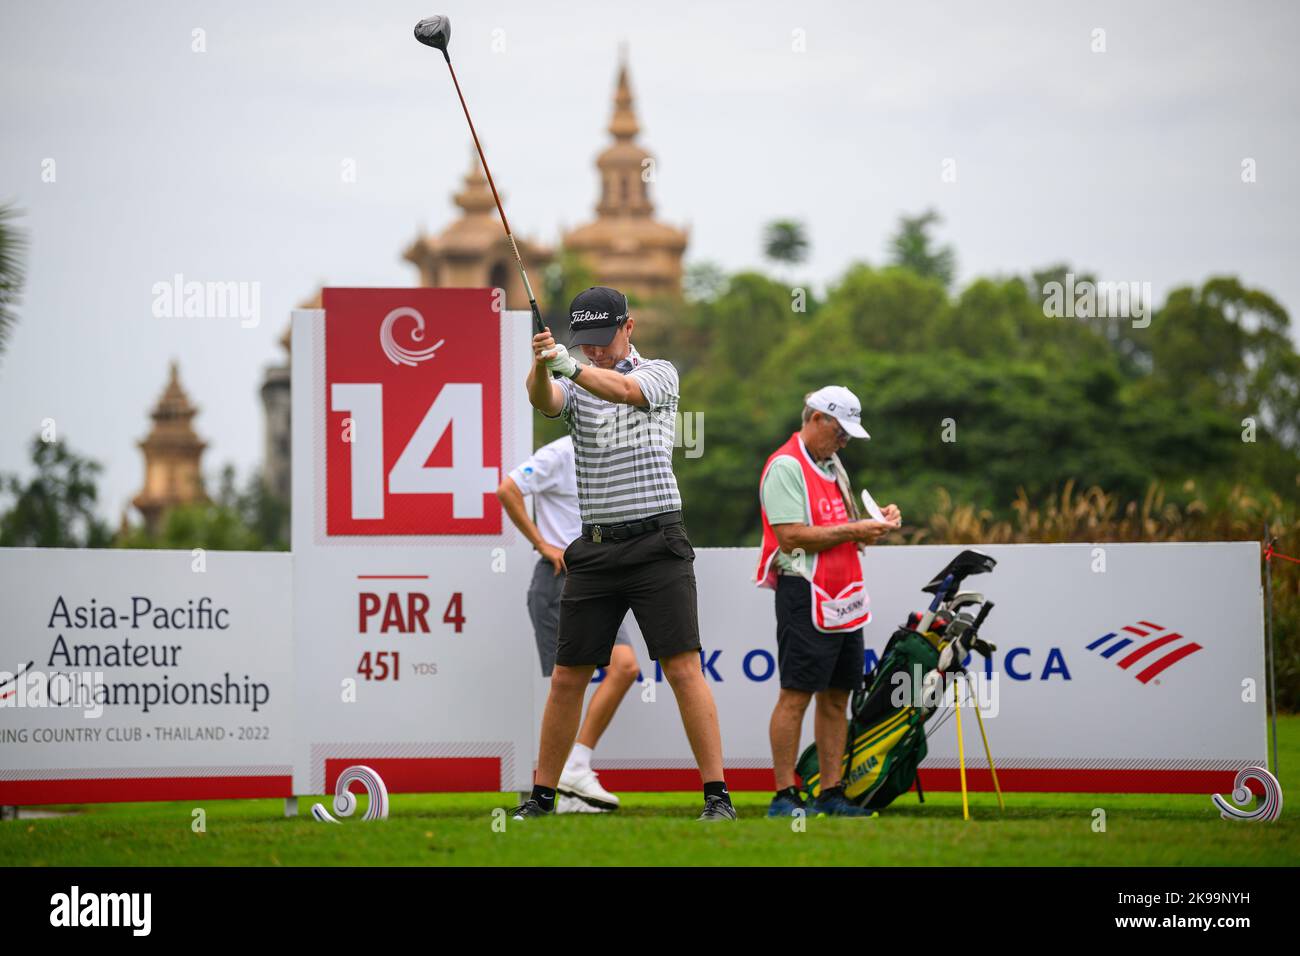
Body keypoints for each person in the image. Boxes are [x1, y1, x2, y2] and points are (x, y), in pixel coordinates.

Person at [512, 286, 735, 821]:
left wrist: (568, 364)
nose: (594, 351)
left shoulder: (659, 373)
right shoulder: (574, 378)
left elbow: (623, 390)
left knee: (683, 668)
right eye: (584, 343)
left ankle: (717, 798)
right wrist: (544, 365)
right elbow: (542, 400)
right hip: (595, 547)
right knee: (568, 675)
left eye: (603, 339)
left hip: (658, 544)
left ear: (628, 327)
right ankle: (543, 797)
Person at [754, 386, 901, 817]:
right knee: (796, 695)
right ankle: (784, 796)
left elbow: (841, 523)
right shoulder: (785, 465)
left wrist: (874, 522)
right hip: (804, 592)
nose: (844, 441)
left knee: (837, 697)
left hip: (846, 595)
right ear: (816, 418)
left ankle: (831, 794)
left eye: (849, 435)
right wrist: (856, 531)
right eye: (840, 432)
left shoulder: (833, 464)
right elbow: (792, 536)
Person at [497, 435, 639, 812]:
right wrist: (543, 544)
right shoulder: (560, 453)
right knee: (569, 683)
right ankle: (560, 783)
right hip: (559, 580)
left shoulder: (615, 453)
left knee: (624, 668)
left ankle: (573, 771)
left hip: (596, 580)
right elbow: (508, 489)